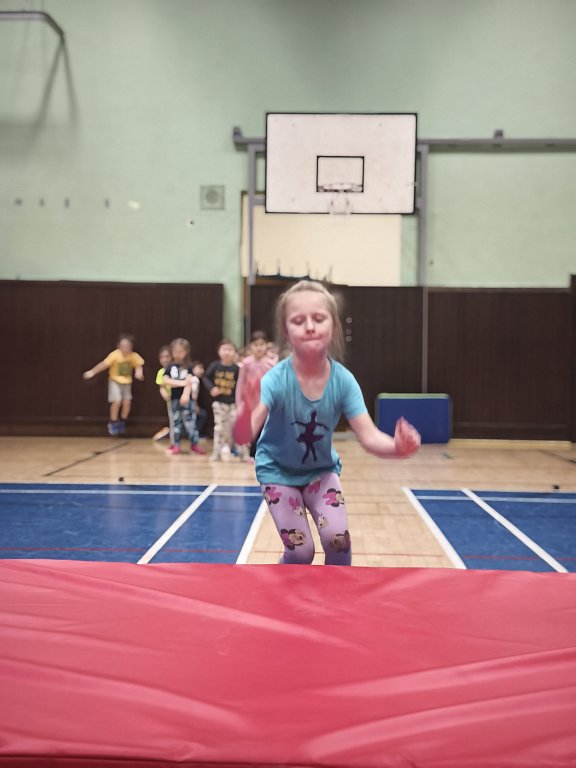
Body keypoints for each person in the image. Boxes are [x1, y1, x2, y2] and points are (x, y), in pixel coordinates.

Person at [233, 280, 420, 566]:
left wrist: (397, 447)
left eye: (319, 318)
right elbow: (244, 435)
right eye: (298, 321)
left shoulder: (343, 381)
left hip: (320, 474)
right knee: (300, 552)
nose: (309, 326)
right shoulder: (275, 380)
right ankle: (282, 587)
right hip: (277, 473)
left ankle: (336, 593)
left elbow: (369, 436)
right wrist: (244, 416)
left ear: (333, 325)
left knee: (338, 541)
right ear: (285, 331)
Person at [83, 334, 144, 436]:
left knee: (127, 402)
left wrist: (139, 373)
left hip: (127, 383)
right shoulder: (115, 355)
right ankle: (113, 422)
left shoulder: (133, 356)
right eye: (123, 346)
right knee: (117, 401)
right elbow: (104, 364)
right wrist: (92, 372)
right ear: (118, 346)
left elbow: (138, 365)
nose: (126, 348)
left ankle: (122, 421)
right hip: (115, 381)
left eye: (128, 346)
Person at [235, 331, 276, 459]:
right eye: (255, 344)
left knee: (265, 428)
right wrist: (239, 403)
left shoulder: (271, 364)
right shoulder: (246, 363)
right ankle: (252, 455)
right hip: (249, 402)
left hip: (265, 402)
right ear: (251, 346)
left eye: (261, 344)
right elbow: (240, 383)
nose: (259, 348)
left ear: (266, 345)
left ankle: (264, 455)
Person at [204, 339, 246, 461]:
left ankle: (243, 453)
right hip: (219, 403)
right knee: (219, 428)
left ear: (235, 352)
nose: (227, 352)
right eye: (224, 349)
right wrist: (212, 388)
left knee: (237, 428)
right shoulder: (215, 366)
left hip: (234, 404)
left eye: (230, 349)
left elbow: (242, 384)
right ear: (219, 351)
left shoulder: (237, 369)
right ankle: (216, 453)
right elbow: (206, 377)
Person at [163, 338, 205, 456]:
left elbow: (190, 382)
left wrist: (185, 394)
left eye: (181, 351)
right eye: (175, 351)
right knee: (175, 422)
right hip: (174, 399)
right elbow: (166, 380)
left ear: (186, 352)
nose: (178, 354)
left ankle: (194, 445)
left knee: (190, 422)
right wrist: (182, 383)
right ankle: (175, 444)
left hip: (187, 400)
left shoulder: (189, 366)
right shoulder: (170, 366)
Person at [152, 345, 172, 441]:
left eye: (167, 357)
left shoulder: (175, 369)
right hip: (170, 399)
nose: (165, 359)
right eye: (162, 357)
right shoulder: (161, 372)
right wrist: (166, 396)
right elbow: (162, 387)